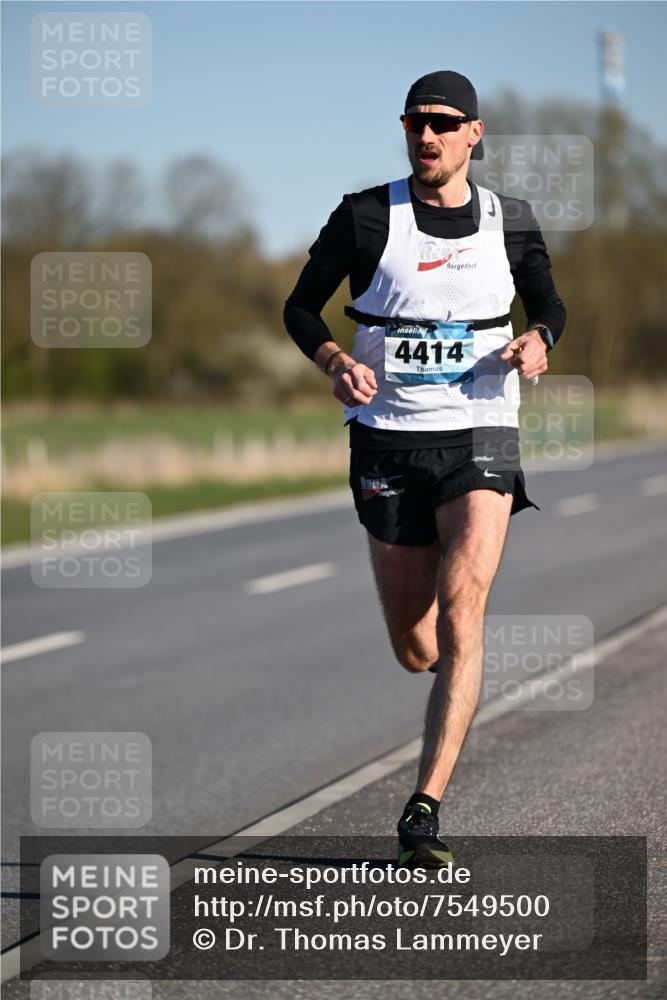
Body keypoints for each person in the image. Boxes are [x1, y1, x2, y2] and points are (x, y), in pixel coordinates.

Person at [284, 70, 566, 868]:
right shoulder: (366, 216)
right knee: (416, 644)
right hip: (387, 439)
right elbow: (299, 307)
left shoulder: (508, 222)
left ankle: (422, 809)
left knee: (461, 604)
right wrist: (335, 357)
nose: (427, 135)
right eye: (415, 122)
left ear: (473, 134)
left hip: (480, 430)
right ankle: (451, 668)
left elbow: (549, 302)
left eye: (443, 123)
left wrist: (540, 338)